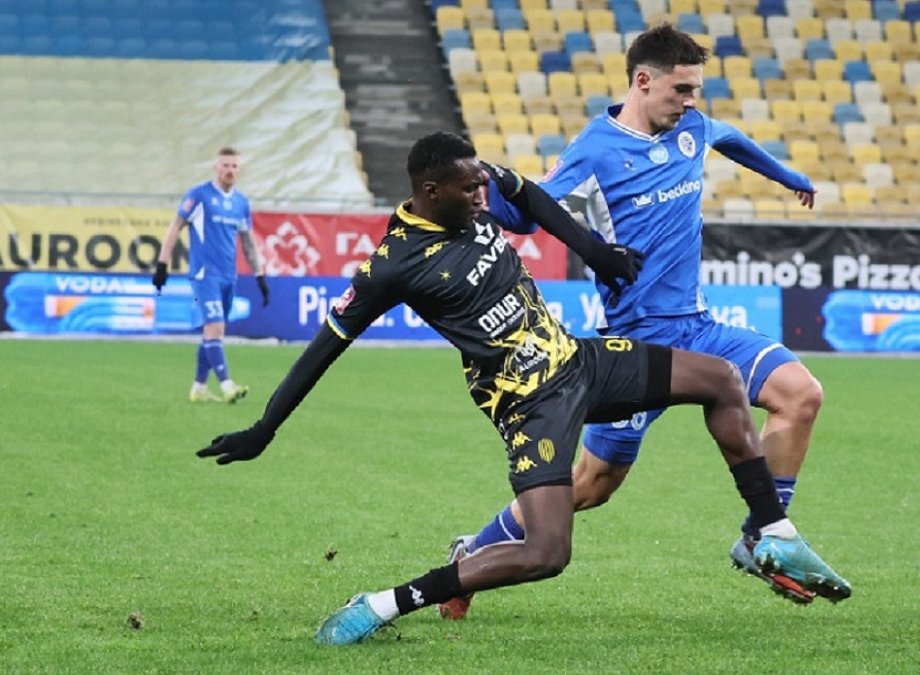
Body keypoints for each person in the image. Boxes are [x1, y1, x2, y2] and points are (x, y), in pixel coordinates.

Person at [195, 131, 848, 646]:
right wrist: (265, 427)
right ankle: (384, 603)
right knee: (547, 552)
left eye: (483, 183)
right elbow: (324, 347)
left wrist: (595, 251)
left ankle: (768, 530)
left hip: (578, 361)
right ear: (430, 192)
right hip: (529, 404)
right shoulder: (392, 266)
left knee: (720, 379)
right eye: (471, 189)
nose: (485, 195)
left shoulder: (471, 184)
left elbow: (529, 196)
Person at [450, 23, 842, 615]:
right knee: (591, 485)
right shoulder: (594, 151)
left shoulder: (692, 129)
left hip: (700, 328)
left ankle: (761, 536)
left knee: (801, 394)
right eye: (681, 89)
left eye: (695, 90)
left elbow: (731, 139)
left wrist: (789, 178)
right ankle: (471, 555)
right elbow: (531, 213)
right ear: (642, 80)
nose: (691, 102)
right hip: (636, 347)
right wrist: (484, 187)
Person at [153, 146, 270, 403]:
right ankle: (227, 385)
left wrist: (260, 275)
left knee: (213, 331)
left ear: (240, 169)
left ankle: (199, 387)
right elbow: (176, 226)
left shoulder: (241, 203)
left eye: (234, 166)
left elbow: (248, 242)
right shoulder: (200, 195)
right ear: (216, 167)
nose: (229, 170)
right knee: (216, 327)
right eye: (225, 165)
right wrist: (162, 264)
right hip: (204, 275)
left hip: (229, 276)